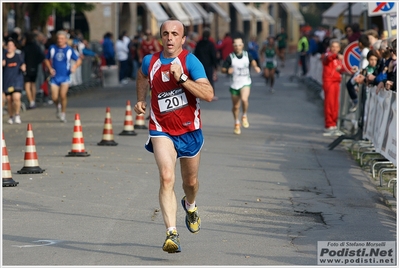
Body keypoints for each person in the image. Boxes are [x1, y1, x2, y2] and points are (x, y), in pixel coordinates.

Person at [133, 18, 214, 253]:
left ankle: (190, 205)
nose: (170, 38)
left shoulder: (190, 61)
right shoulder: (151, 61)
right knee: (167, 177)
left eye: (175, 34)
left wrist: (182, 78)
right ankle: (172, 233)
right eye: (166, 33)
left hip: (190, 130)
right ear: (161, 37)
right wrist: (141, 99)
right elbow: (142, 76)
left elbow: (208, 94)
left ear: (183, 39)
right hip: (161, 129)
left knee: (190, 183)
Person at [221, 34, 261, 135]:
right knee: (236, 106)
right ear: (233, 46)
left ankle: (244, 115)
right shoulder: (230, 57)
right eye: (235, 45)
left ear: (242, 45)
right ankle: (236, 122)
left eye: (239, 45)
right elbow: (222, 69)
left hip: (245, 82)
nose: (237, 47)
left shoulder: (247, 55)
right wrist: (227, 70)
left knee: (244, 99)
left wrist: (255, 67)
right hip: (234, 84)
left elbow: (253, 62)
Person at [43, 30, 82, 123]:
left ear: (65, 40)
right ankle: (58, 107)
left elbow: (79, 60)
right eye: (58, 38)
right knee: (54, 97)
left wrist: (74, 67)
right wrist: (50, 68)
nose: (60, 40)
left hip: (65, 76)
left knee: (63, 95)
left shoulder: (69, 50)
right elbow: (46, 59)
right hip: (55, 77)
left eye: (62, 38)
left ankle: (63, 113)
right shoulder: (52, 48)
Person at [321, 39, 344, 136]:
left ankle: (334, 124)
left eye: (336, 47)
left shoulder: (340, 58)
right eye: (333, 46)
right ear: (330, 47)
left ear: (339, 48)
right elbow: (327, 59)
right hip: (329, 81)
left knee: (335, 104)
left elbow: (343, 68)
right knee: (329, 103)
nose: (334, 49)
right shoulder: (327, 55)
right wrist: (336, 56)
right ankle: (329, 124)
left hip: (336, 82)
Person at [3, 38, 26, 124]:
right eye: (8, 45)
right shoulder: (3, 57)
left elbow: (23, 63)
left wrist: (23, 67)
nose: (9, 47)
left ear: (14, 47)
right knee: (9, 100)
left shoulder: (18, 56)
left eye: (11, 45)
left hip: (17, 81)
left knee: (16, 98)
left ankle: (17, 115)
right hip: (7, 81)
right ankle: (11, 116)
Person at [346, 34, 370, 112]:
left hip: (362, 73)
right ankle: (355, 101)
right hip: (361, 71)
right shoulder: (365, 51)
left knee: (349, 84)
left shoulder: (365, 52)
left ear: (360, 43)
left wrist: (361, 71)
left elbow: (365, 64)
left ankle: (355, 101)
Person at [194, 29, 218, 101]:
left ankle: (200, 94)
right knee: (210, 79)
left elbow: (196, 54)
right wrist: (215, 65)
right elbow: (213, 55)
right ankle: (211, 94)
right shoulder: (210, 44)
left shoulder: (199, 44)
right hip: (209, 64)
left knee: (200, 79)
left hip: (200, 64)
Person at [22, 32, 45, 109]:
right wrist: (36, 62)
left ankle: (31, 101)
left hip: (27, 67)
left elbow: (22, 58)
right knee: (33, 84)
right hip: (34, 67)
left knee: (27, 85)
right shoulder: (36, 47)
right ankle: (33, 100)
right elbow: (42, 56)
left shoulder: (25, 48)